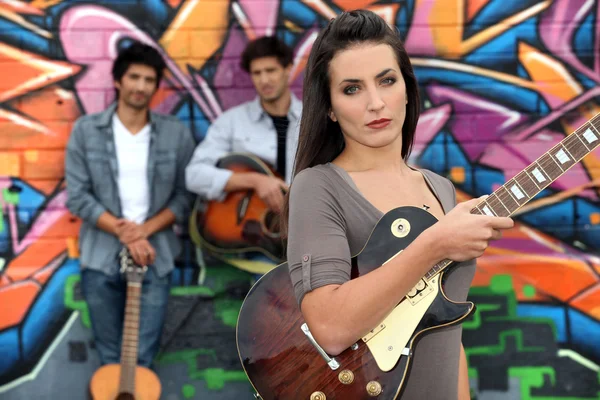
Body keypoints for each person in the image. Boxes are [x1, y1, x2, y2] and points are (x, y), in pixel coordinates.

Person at [282, 10, 514, 400]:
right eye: (352, 89)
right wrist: (434, 244)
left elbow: (443, 328)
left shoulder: (439, 189)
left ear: (407, 88)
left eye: (387, 81)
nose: (376, 103)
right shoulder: (318, 187)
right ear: (330, 108)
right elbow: (330, 327)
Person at [65, 41, 195, 368]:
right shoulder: (86, 132)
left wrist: (143, 233)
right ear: (118, 81)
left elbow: (186, 195)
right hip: (99, 255)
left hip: (156, 253)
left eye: (149, 80)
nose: (141, 86)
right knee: (110, 359)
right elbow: (78, 196)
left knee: (141, 359)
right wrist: (127, 234)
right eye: (134, 77)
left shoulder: (174, 134)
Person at [185, 35, 302, 274]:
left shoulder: (315, 121)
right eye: (257, 73)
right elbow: (194, 175)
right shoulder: (232, 123)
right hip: (252, 249)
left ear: (288, 69)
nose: (264, 80)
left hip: (305, 243)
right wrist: (255, 181)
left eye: (271, 70)